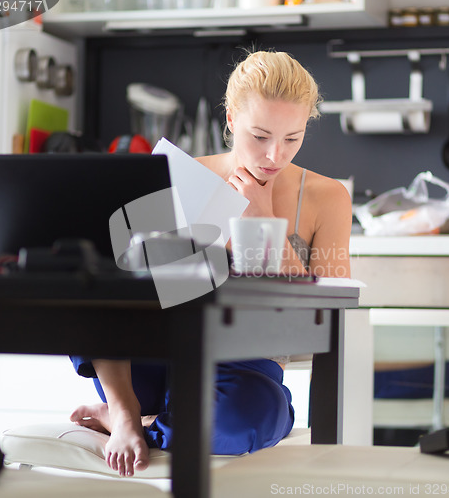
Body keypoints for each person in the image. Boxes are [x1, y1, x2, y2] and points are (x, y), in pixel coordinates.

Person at [69, 50, 353, 477]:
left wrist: (264, 222)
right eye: (260, 135)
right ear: (231, 117)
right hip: (154, 354)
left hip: (244, 368)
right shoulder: (172, 175)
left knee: (247, 419)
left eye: (292, 139)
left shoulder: (326, 197)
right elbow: (121, 293)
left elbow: (327, 316)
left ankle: (138, 425)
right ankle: (126, 413)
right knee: (88, 291)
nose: (275, 155)